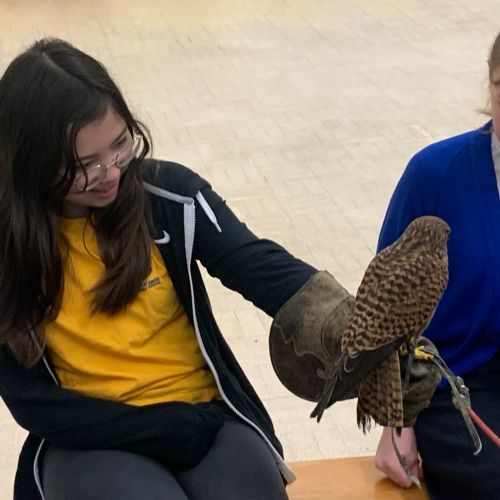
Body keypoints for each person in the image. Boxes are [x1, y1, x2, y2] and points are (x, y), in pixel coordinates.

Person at [0, 38, 350, 500]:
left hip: (205, 416)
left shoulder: (170, 196)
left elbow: (258, 265)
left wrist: (364, 332)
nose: (111, 172)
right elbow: (31, 401)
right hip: (89, 436)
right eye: (85, 165)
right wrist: (158, 428)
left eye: (120, 144)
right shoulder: (9, 247)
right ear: (31, 163)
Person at [374, 31, 500, 500]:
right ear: (489, 84)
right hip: (456, 385)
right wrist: (396, 418)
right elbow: (384, 307)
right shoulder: (435, 174)